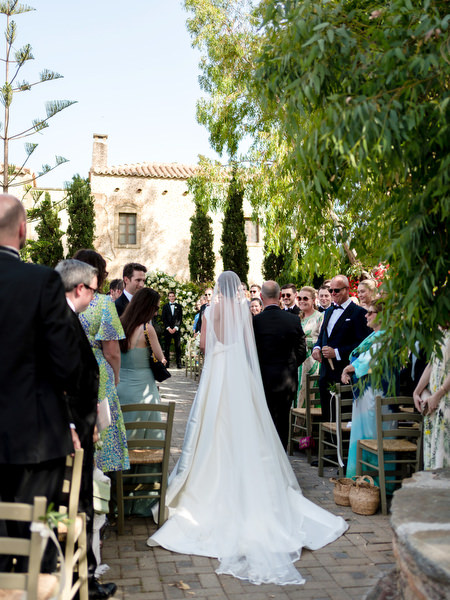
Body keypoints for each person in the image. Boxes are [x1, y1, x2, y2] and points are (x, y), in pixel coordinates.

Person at [147, 271, 347, 585]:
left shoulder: (209, 311)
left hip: (217, 372)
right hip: (239, 374)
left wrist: (214, 349)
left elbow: (203, 345)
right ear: (237, 289)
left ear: (216, 289)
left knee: (212, 426)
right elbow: (248, 346)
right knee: (247, 422)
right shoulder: (243, 311)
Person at [0, 194, 78, 573]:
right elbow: (66, 362)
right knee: (38, 537)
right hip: (34, 438)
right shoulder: (41, 280)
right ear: (21, 229)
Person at [55, 259, 117, 600]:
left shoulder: (66, 317)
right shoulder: (60, 320)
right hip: (71, 430)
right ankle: (82, 583)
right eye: (94, 290)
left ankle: (84, 578)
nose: (95, 297)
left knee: (82, 503)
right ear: (80, 288)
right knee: (77, 504)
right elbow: (59, 379)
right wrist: (73, 422)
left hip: (82, 420)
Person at [73, 249, 129, 474]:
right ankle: (103, 487)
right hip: (98, 373)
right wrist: (115, 376)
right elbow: (112, 351)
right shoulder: (104, 303)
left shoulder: (61, 298)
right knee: (103, 428)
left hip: (70, 369)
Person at [117, 288, 166, 515]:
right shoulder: (147, 330)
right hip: (144, 390)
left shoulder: (119, 324)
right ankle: (140, 503)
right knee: (147, 445)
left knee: (123, 445)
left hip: (121, 390)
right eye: (155, 308)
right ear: (148, 307)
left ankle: (117, 501)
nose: (156, 312)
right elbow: (160, 358)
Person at [340, 300, 394, 478]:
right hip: (366, 393)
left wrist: (349, 368)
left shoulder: (387, 336)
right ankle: (360, 480)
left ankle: (373, 482)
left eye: (371, 312)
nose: (366, 315)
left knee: (372, 435)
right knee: (362, 434)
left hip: (375, 393)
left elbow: (372, 360)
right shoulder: (375, 335)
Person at [253, 280, 307, 449]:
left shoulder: (255, 322)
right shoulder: (293, 320)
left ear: (261, 297)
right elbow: (301, 351)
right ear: (279, 296)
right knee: (283, 422)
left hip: (262, 379)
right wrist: (290, 366)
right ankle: (281, 459)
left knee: (263, 420)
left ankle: (265, 456)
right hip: (287, 380)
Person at [312, 275, 371, 422]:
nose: (332, 294)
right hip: (326, 373)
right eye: (330, 290)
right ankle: (328, 446)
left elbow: (362, 345)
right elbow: (322, 336)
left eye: (336, 291)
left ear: (347, 290)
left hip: (345, 373)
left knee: (343, 417)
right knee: (327, 416)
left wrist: (337, 352)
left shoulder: (358, 313)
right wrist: (317, 348)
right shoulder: (328, 311)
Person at [413, 328, 450, 469]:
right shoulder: (440, 331)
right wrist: (417, 391)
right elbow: (432, 363)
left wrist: (439, 393)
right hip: (434, 402)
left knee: (443, 451)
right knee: (433, 451)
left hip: (445, 400)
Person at [296, 287, 323, 408]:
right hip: (296, 362)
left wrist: (305, 341)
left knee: (309, 393)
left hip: (312, 361)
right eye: (299, 298)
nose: (302, 301)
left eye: (305, 298)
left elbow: (322, 339)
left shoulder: (320, 317)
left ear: (313, 300)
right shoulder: (297, 318)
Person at [161, 291, 183, 368]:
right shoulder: (165, 307)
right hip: (168, 330)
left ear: (175, 297)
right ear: (168, 297)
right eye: (170, 296)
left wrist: (176, 327)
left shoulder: (179, 306)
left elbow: (180, 318)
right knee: (167, 347)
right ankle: (167, 363)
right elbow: (163, 318)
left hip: (176, 330)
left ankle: (179, 363)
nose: (171, 298)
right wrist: (168, 328)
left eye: (173, 296)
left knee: (178, 347)